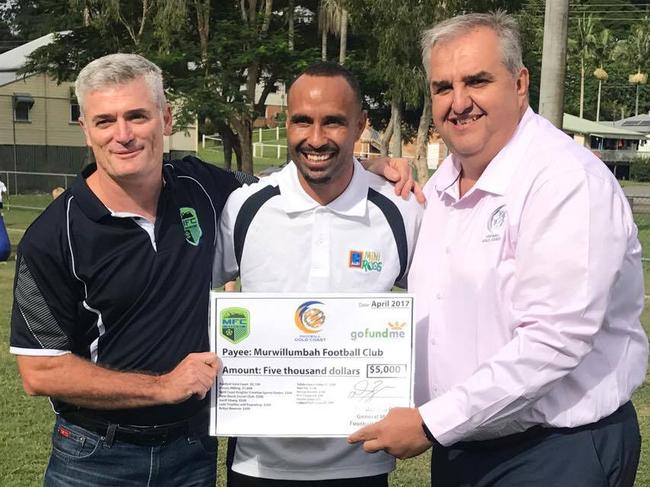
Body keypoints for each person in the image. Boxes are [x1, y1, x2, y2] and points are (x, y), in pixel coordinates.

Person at [349, 11, 648, 487]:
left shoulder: (564, 181)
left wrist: (431, 423)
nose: (458, 102)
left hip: (553, 453)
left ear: (520, 82)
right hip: (467, 445)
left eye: (477, 81)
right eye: (442, 87)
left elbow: (554, 340)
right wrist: (364, 164)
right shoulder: (448, 180)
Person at [9, 53, 249, 486]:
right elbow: (41, 371)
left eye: (137, 116)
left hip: (192, 450)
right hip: (95, 456)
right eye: (104, 121)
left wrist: (368, 170)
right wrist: (163, 387)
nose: (122, 135)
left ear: (166, 118)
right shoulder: (51, 237)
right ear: (85, 130)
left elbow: (286, 191)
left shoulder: (202, 186)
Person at [214, 61, 422, 486]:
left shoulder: (401, 211)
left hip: (360, 463)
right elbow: (186, 293)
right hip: (257, 465)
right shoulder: (245, 207)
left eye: (333, 123)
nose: (315, 138)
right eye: (302, 121)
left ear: (361, 125)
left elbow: (438, 317)